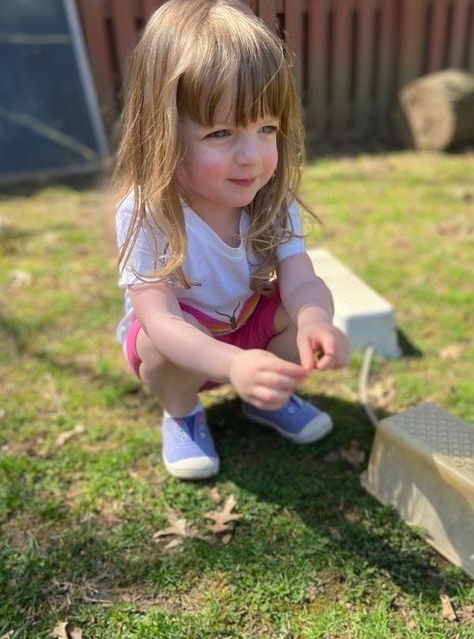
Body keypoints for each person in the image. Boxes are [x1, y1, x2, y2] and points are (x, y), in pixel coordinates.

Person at [114, 0, 349, 479]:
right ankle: (182, 415)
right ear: (162, 133)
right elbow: (159, 319)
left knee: (293, 304)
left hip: (245, 325)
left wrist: (314, 320)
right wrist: (232, 364)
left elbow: (303, 279)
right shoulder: (148, 212)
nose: (252, 157)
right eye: (221, 133)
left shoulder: (271, 198)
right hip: (182, 339)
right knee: (158, 348)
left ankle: (265, 399)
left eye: (267, 129)